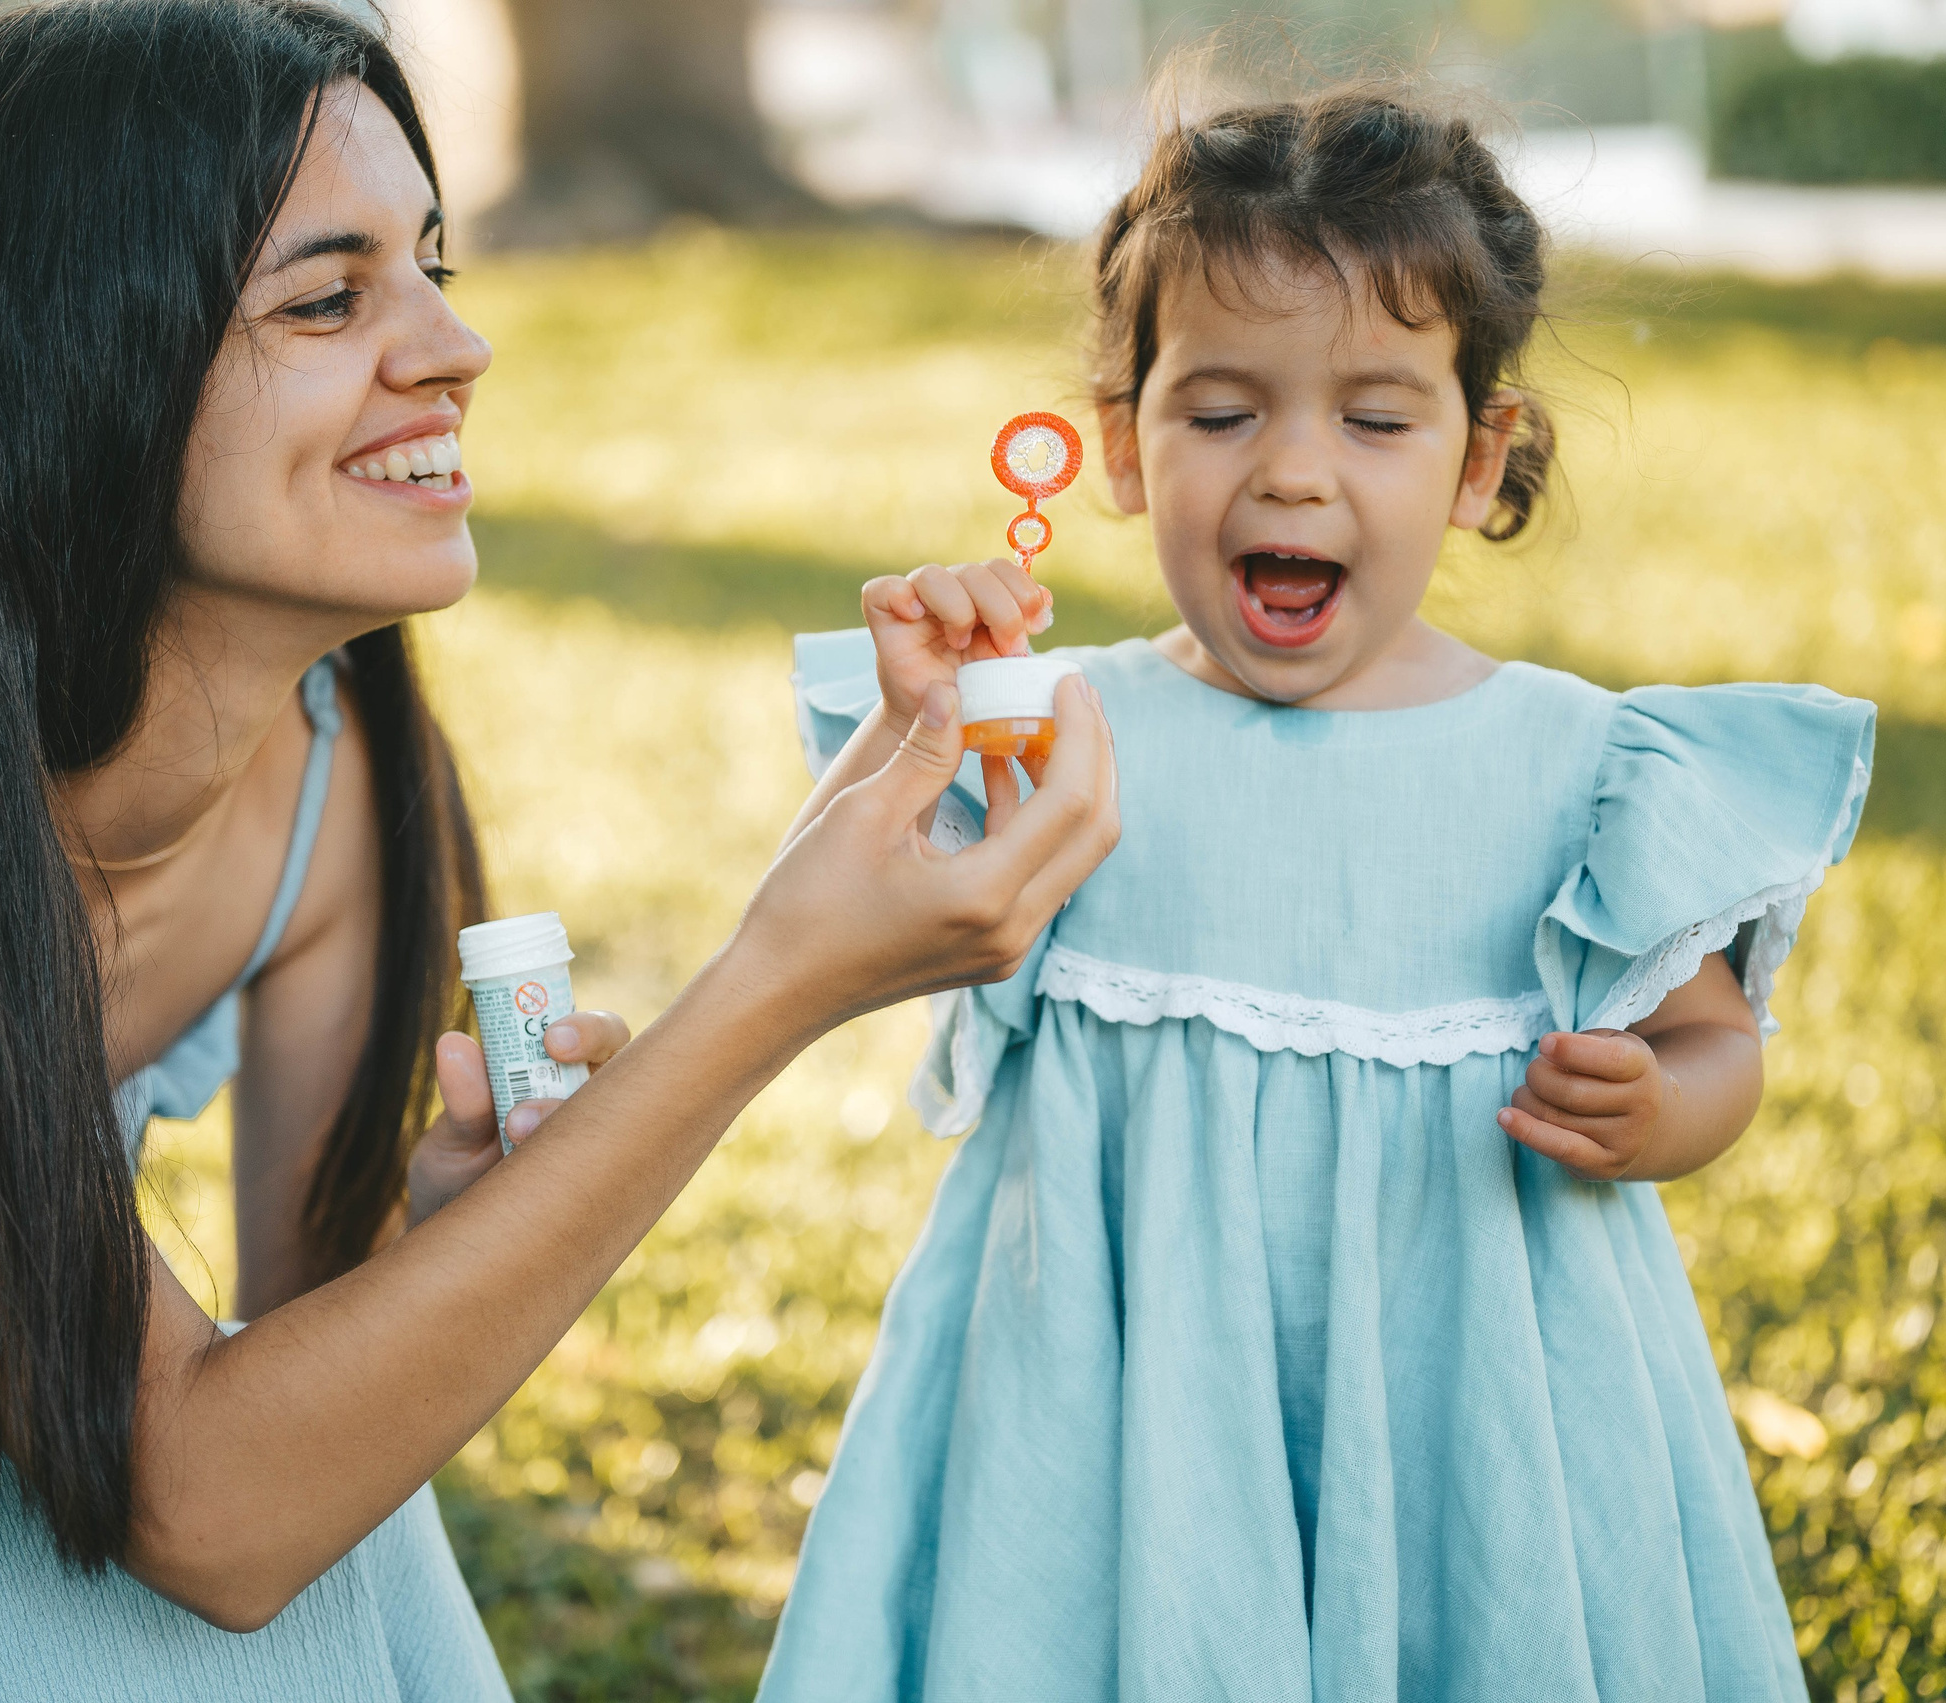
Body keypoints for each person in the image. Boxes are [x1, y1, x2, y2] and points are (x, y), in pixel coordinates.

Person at [0, 4, 1118, 1698]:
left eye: (436, 264)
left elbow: (311, 1401)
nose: (454, 346)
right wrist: (777, 981)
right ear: (74, 365)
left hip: (14, 1406)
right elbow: (211, 1516)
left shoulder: (338, 762)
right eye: (329, 295)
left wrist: (450, 1233)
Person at [762, 82, 1873, 1699]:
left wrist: (1661, 1103)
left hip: (1468, 1397)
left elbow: (1714, 1046)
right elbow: (863, 917)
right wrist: (928, 714)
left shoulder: (1577, 768)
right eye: (1220, 415)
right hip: (1115, 1401)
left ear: (1481, 458)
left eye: (1374, 417)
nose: (1291, 477)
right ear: (1122, 446)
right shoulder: (1057, 730)